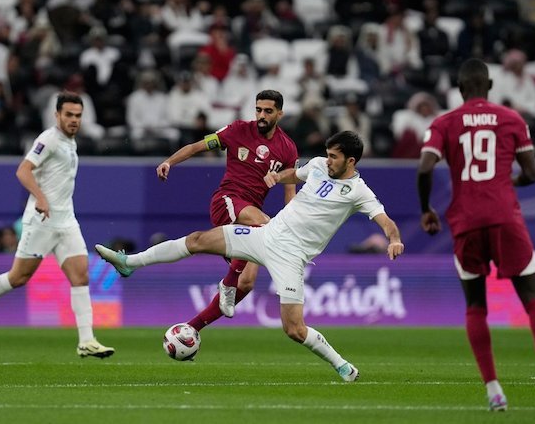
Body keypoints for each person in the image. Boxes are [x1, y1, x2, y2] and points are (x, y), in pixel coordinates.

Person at [96, 131, 404, 381]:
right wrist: (276, 178)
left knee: (294, 329)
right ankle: (129, 263)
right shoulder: (320, 166)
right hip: (265, 236)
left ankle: (343, 367)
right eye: (329, 154)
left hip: (291, 257)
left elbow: (385, 220)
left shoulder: (359, 191)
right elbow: (294, 175)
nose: (329, 160)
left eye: (335, 157)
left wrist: (394, 239)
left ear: (351, 160)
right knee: (199, 239)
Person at [417, 58, 535, 412]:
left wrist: (426, 209)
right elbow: (532, 174)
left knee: (475, 306)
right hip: (505, 218)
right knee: (533, 298)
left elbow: (425, 167)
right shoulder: (512, 119)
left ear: (459, 89)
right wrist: (507, 182)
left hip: (466, 222)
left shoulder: (444, 122)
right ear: (488, 87)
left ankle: (494, 390)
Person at [0, 91, 114, 359]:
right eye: (68, 115)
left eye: (78, 115)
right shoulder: (49, 139)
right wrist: (41, 198)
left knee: (81, 276)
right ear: (57, 115)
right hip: (41, 220)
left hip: (66, 221)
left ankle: (86, 341)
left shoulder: (70, 142)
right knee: (18, 277)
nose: (74, 120)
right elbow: (23, 170)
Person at [157, 89, 299, 329]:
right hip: (227, 200)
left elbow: (290, 193)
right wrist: (169, 162)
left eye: (268, 111)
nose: (261, 115)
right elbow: (196, 147)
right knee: (266, 224)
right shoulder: (237, 130)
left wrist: (293, 228)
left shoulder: (288, 148)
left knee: (247, 283)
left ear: (280, 114)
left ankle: (193, 327)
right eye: (258, 110)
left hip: (249, 215)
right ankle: (227, 283)